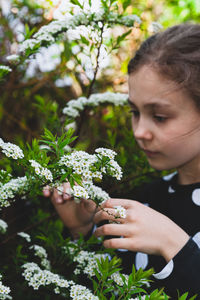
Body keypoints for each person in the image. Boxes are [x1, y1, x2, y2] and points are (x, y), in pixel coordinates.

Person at [43, 23, 200, 297]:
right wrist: (81, 228)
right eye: (134, 112)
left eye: (160, 116)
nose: (139, 131)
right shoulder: (145, 201)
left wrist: (176, 246)